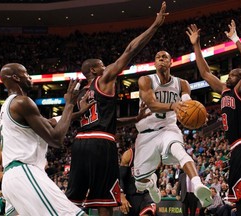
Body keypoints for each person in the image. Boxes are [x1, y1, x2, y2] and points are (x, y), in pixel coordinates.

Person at [65, 2, 168, 216]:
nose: (107, 67)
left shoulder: (81, 94)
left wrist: (135, 118)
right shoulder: (103, 80)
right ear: (94, 70)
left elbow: (105, 121)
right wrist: (155, 26)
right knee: (106, 201)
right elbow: (129, 51)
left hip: (80, 143)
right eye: (102, 65)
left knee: (73, 201)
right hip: (101, 144)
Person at [187, 20, 241, 216]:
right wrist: (196, 45)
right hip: (238, 149)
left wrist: (235, 39)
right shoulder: (224, 90)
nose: (228, 76)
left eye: (232, 74)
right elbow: (204, 72)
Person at [0, 63, 88, 215]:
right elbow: (56, 139)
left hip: (11, 178)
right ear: (16, 77)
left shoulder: (8, 106)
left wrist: (78, 113)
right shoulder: (22, 102)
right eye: (26, 73)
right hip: (24, 172)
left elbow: (50, 122)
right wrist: (70, 104)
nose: (29, 77)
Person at [133, 50, 212, 208]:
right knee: (139, 184)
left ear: (170, 63)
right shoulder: (146, 80)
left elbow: (187, 105)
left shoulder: (182, 84)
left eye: (165, 57)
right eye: (158, 57)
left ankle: (198, 186)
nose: (161, 59)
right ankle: (151, 183)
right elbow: (152, 104)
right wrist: (172, 105)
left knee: (179, 150)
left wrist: (198, 116)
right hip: (146, 134)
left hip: (168, 128)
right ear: (154, 63)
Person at [119, 147, 156, 216]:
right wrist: (122, 196)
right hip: (130, 196)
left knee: (148, 213)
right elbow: (120, 177)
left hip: (146, 195)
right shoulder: (129, 154)